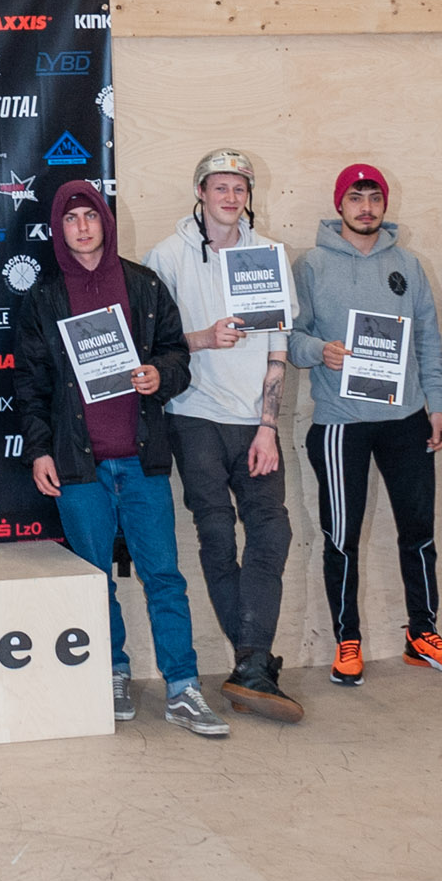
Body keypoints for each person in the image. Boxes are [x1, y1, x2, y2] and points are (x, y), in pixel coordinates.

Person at [14, 180, 229, 737]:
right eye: (71, 219)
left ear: (105, 224)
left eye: (90, 216)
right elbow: (31, 385)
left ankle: (183, 687)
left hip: (141, 459)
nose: (82, 227)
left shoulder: (143, 284)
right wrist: (39, 450)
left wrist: (161, 375)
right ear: (58, 230)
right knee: (94, 580)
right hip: (79, 465)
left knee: (164, 577)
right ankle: (111, 671)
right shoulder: (44, 299)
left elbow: (176, 353)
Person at [289, 163, 442, 686]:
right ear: (339, 204)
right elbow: (290, 337)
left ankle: (423, 634)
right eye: (356, 197)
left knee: (418, 532)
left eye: (374, 198)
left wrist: (436, 405)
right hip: (340, 424)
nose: (366, 207)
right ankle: (347, 641)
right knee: (341, 538)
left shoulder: (408, 265)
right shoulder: (311, 265)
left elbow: (427, 340)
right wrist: (319, 350)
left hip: (406, 420)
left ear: (384, 205)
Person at [145, 149, 304, 723]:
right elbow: (155, 344)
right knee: (216, 534)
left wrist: (268, 425)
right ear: (201, 192)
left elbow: (278, 347)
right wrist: (204, 338)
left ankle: (251, 662)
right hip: (194, 415)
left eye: (239, 188)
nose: (230, 197)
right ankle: (255, 663)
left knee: (272, 531)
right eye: (220, 187)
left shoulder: (269, 256)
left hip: (254, 422)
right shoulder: (167, 256)